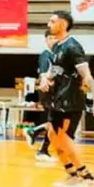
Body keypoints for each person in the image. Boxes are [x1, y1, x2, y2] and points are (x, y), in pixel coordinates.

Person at [39, 11, 94, 187]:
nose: (48, 24)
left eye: (52, 21)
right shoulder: (57, 47)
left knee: (64, 139)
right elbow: (56, 71)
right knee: (52, 136)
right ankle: (72, 175)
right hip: (58, 99)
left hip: (71, 100)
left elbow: (87, 75)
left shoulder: (73, 47)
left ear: (63, 24)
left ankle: (89, 178)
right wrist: (46, 78)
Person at [23, 31, 56, 164]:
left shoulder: (55, 56)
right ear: (46, 40)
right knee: (55, 123)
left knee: (55, 124)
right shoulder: (45, 55)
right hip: (48, 92)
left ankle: (37, 138)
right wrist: (44, 80)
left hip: (54, 93)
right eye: (51, 38)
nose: (54, 40)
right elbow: (43, 73)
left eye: (56, 38)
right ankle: (41, 147)